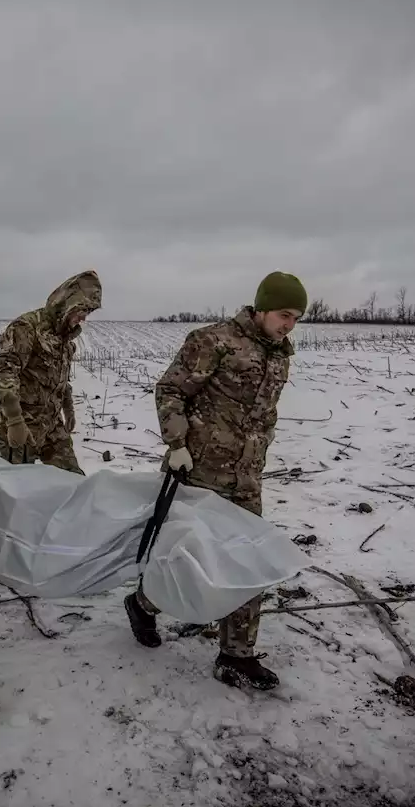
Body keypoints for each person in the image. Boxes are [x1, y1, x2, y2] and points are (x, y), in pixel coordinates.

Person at [123, 271, 306, 691]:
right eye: (283, 314)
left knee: (248, 560)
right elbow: (170, 390)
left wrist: (263, 442)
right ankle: (143, 602)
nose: (289, 324)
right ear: (260, 307)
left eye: (296, 318)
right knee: (190, 561)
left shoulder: (279, 354)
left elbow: (265, 411)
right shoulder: (214, 341)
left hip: (246, 478)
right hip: (199, 473)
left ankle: (235, 656)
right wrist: (176, 443)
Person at [0, 271, 102, 475]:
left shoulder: (64, 339)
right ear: (67, 303)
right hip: (20, 427)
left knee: (73, 480)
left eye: (88, 312)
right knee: (12, 491)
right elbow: (3, 372)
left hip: (51, 426)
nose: (83, 317)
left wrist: (68, 409)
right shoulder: (26, 328)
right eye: (81, 310)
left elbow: (60, 380)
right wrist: (14, 420)